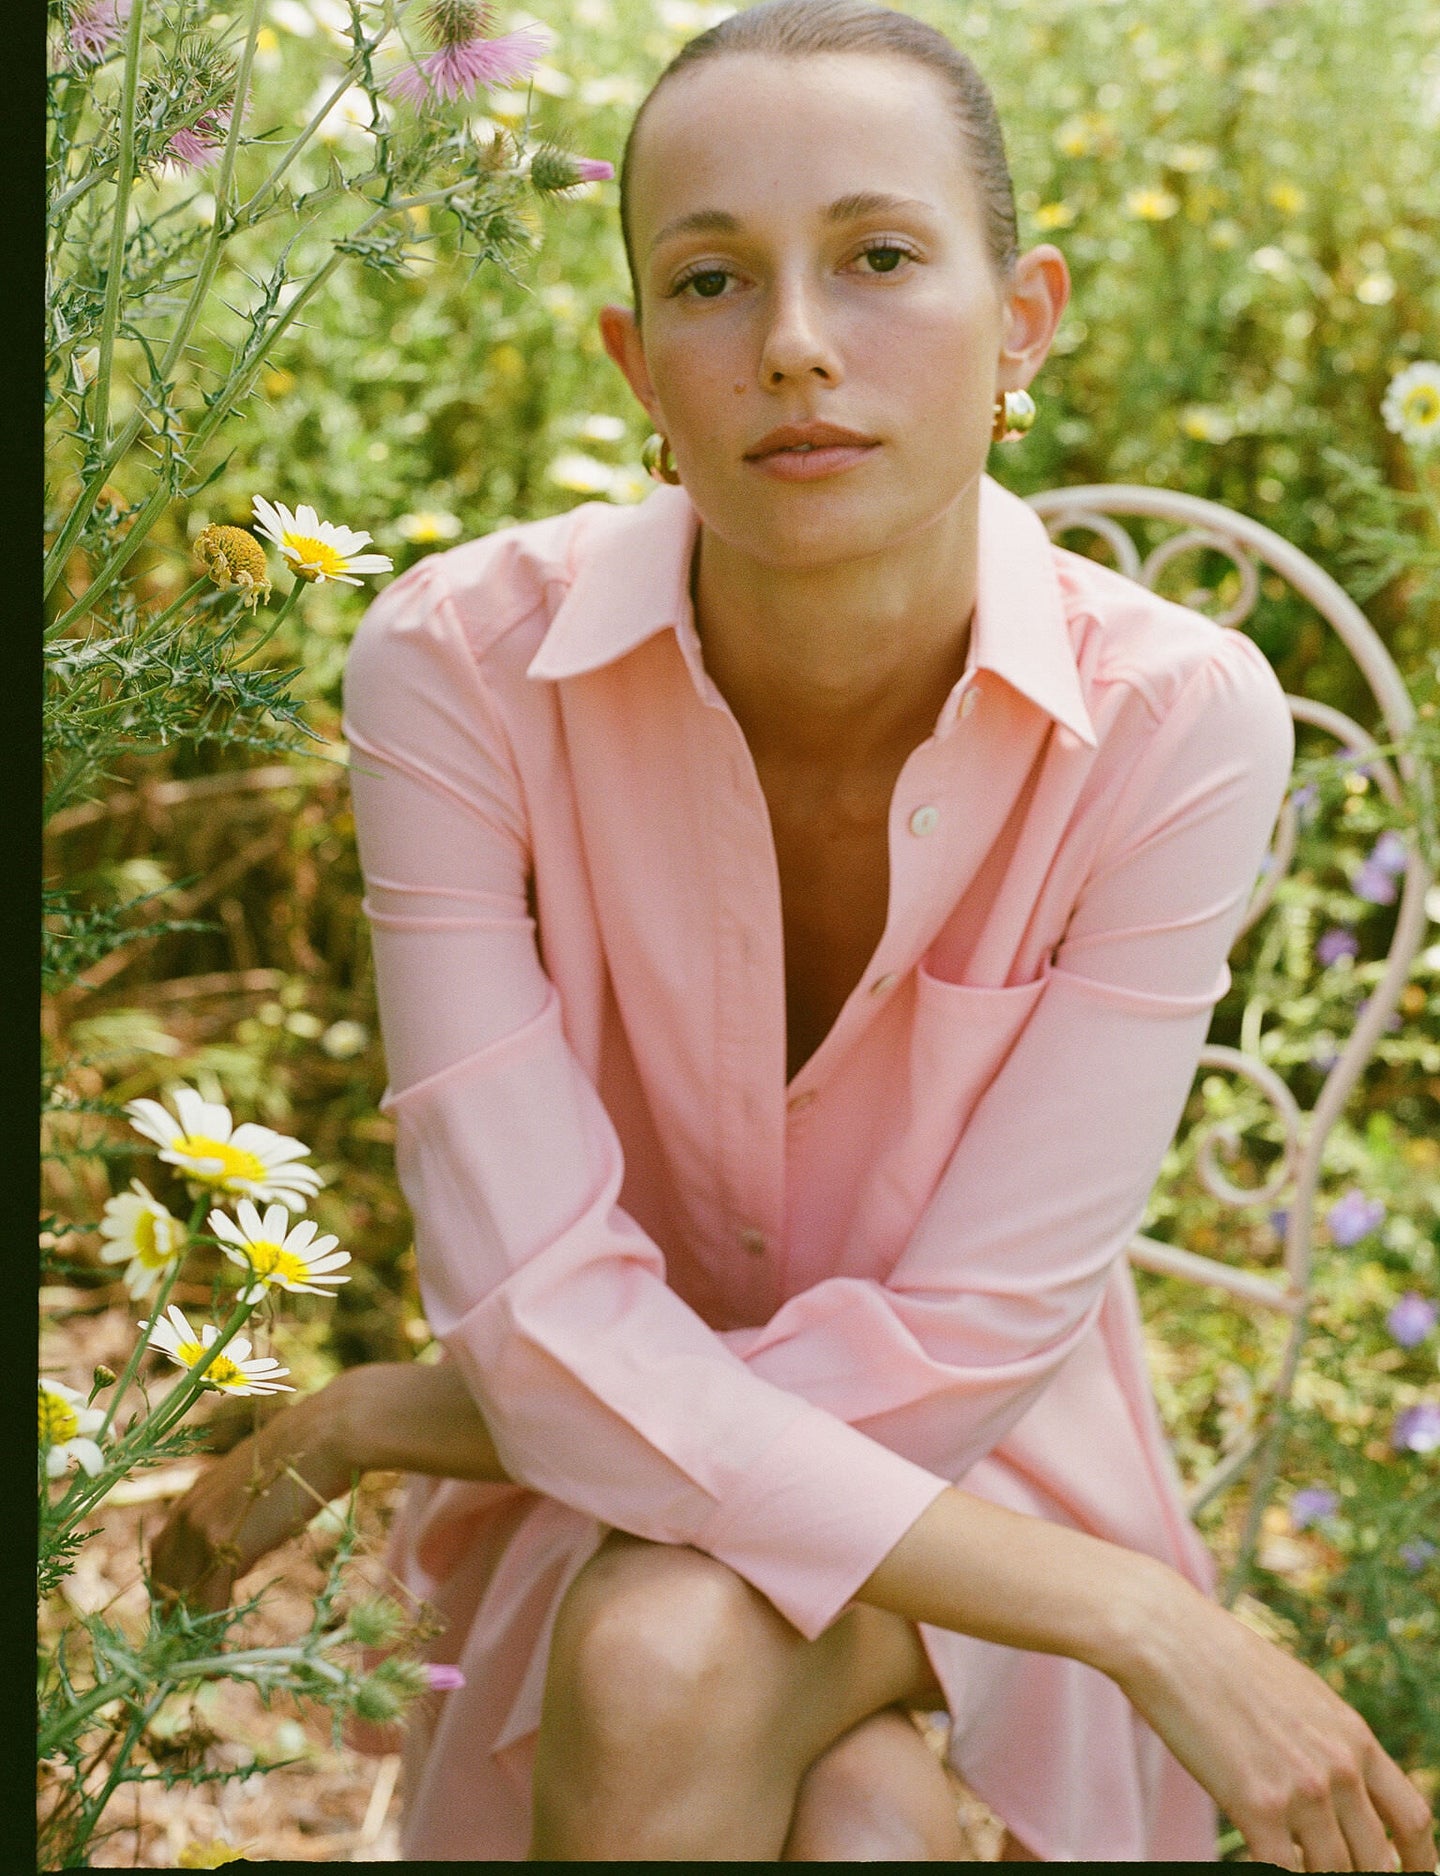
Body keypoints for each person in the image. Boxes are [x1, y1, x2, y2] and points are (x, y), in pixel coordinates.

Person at [152, 1, 1437, 1865]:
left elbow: (963, 1345)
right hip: (799, 1529)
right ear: (635, 366)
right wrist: (1142, 1618)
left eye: (881, 257)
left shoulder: (1176, 718)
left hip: (989, 1474)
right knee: (841, 1809)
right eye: (710, 282)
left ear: (1026, 323)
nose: (798, 349)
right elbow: (529, 1299)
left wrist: (412, 1414)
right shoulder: (456, 670)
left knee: (666, 1656)